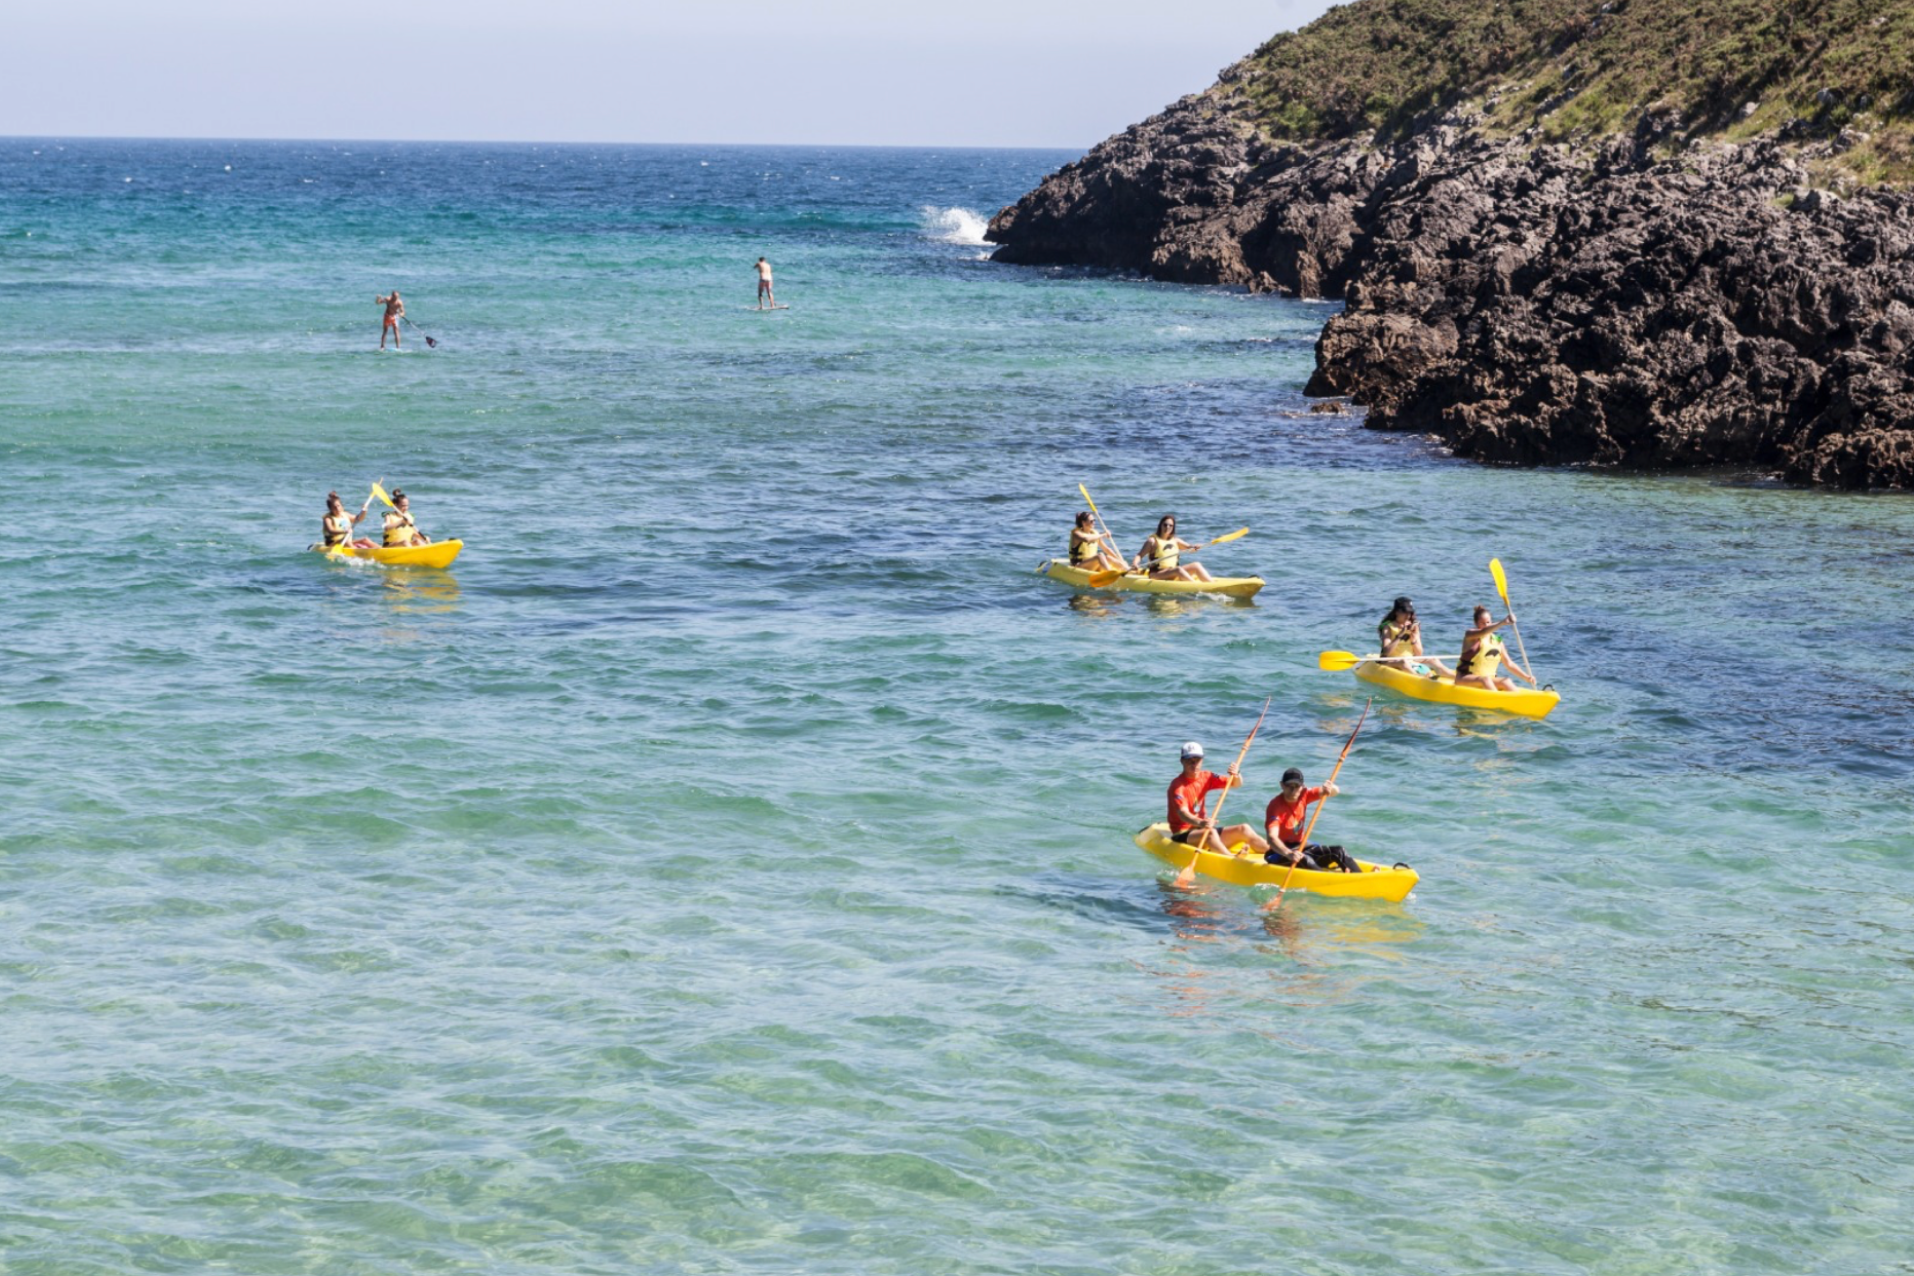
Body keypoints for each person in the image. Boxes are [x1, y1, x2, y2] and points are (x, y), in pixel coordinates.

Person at [1167, 741, 1269, 858]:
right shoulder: (1177, 786)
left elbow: (1236, 784)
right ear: (1182, 761)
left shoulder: (1207, 776)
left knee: (1244, 829)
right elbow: (1183, 813)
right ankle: (1232, 860)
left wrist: (1237, 774)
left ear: (1202, 760)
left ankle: (1274, 853)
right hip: (1183, 833)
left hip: (1202, 829)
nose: (1194, 764)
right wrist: (1201, 822)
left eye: (1197, 760)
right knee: (1210, 832)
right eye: (1189, 760)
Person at [1262, 767, 1362, 873]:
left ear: (1302, 786)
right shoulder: (1275, 806)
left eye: (1296, 786)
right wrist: (1288, 853)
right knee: (1304, 858)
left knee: (1339, 851)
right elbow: (1272, 838)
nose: (1293, 790)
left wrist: (1331, 788)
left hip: (1301, 847)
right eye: (1289, 786)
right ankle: (1327, 881)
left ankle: (1360, 879)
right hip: (1279, 854)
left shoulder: (1304, 794)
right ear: (1282, 785)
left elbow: (1334, 791)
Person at [1454, 604, 1536, 692]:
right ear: (1476, 623)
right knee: (1485, 680)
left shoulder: (1497, 641)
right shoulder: (1470, 635)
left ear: (1491, 622)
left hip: (1488, 681)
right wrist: (1503, 622)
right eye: (1482, 623)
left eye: (1488, 622)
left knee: (1506, 681)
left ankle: (1520, 701)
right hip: (1464, 678)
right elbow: (1484, 631)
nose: (1486, 625)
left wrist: (1526, 677)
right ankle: (1499, 702)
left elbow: (1509, 664)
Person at [1378, 596, 1452, 678]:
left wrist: (1414, 639)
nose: (1408, 616)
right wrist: (1399, 636)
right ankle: (1420, 678)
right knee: (1403, 662)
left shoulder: (1413, 626)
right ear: (1397, 612)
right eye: (1405, 612)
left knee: (1433, 660)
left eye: (1410, 613)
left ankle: (1454, 677)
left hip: (1410, 659)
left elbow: (1419, 654)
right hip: (1391, 660)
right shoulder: (1388, 627)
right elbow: (1386, 652)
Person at [1135, 514, 1214, 583]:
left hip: (1172, 571)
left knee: (1196, 565)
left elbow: (1189, 548)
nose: (1167, 527)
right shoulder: (1152, 541)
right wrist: (1135, 564)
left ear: (1173, 527)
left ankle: (1211, 585)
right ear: (1160, 525)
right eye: (1165, 525)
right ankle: (1197, 588)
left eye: (1170, 525)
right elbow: (1139, 555)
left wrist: (1195, 547)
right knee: (1178, 570)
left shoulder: (1176, 540)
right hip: (1157, 574)